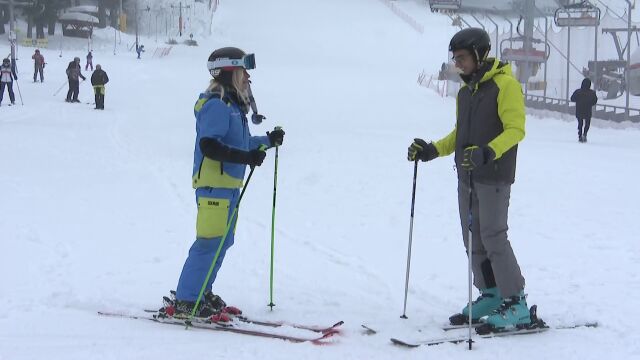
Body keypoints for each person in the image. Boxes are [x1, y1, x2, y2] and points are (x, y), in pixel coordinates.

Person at [407, 28, 529, 333]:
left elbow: (516, 130)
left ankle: (516, 302)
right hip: (467, 176)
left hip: (494, 176)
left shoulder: (506, 86)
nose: (457, 64)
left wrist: (488, 153)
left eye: (461, 58)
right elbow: (460, 135)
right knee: (471, 238)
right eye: (455, 58)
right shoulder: (466, 92)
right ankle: (491, 293)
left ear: (479, 54)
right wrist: (434, 149)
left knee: (493, 236)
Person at [162, 47, 285, 320]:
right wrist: (246, 156)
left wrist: (267, 141)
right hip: (213, 186)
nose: (247, 76)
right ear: (230, 72)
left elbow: (241, 144)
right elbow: (210, 146)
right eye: (243, 70)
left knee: (222, 242)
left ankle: (201, 292)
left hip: (228, 186)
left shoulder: (232, 107)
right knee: (208, 243)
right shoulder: (217, 105)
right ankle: (186, 299)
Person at [570, 78, 598, 143]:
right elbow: (595, 101)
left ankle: (580, 135)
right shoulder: (592, 93)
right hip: (588, 110)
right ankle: (584, 134)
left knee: (580, 123)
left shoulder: (578, 92)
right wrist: (590, 103)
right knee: (587, 123)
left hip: (579, 110)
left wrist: (578, 101)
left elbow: (572, 99)